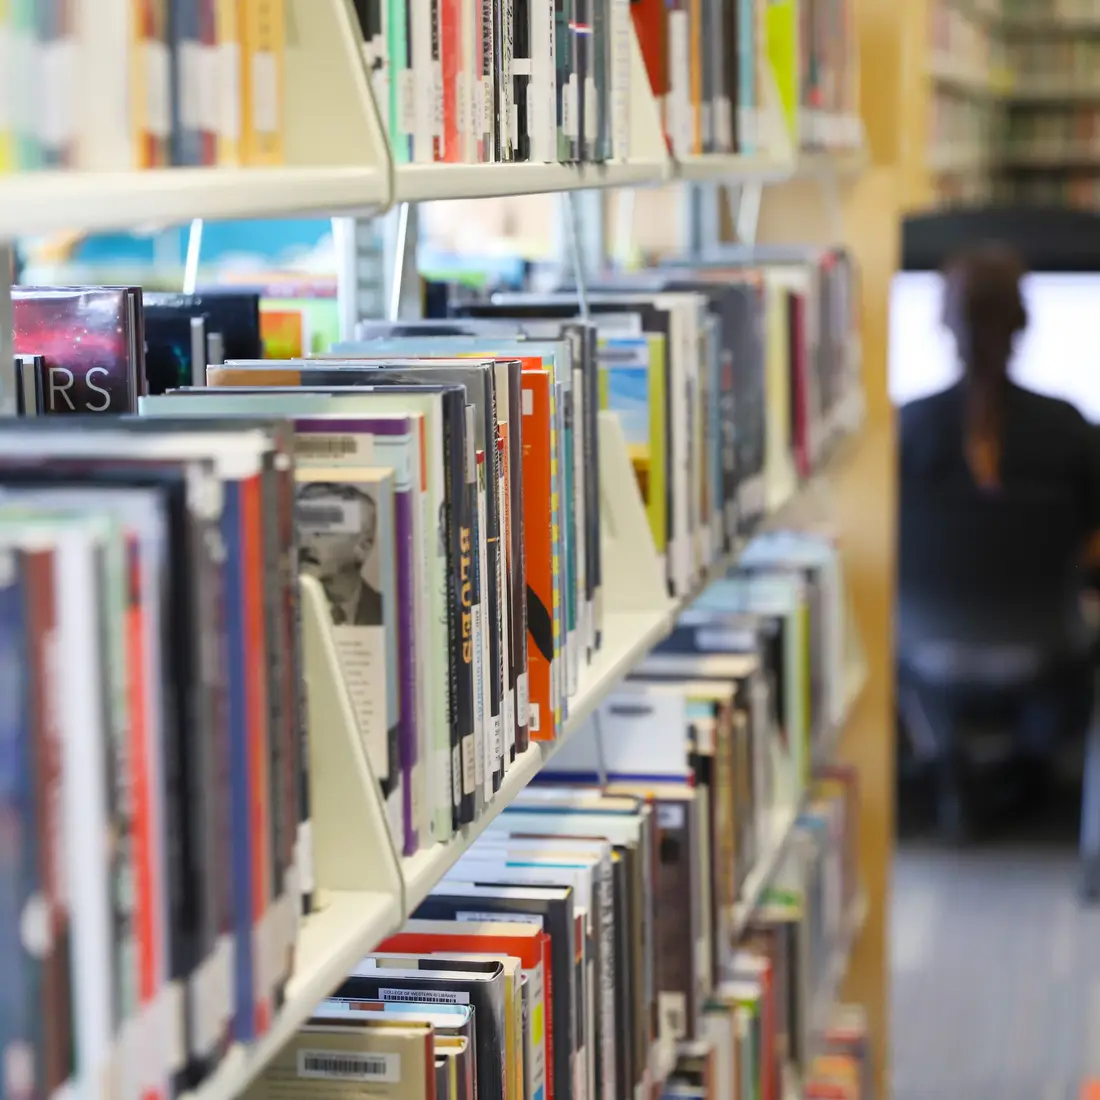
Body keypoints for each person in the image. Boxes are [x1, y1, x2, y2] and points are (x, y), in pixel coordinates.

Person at [897, 243, 1100, 833]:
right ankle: (1029, 767)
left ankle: (948, 760)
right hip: (1048, 641)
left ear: (944, 325)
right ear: (1023, 323)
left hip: (922, 640)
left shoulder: (904, 430)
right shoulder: (1070, 429)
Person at [297, 480, 384, 627]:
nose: (305, 542)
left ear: (363, 547)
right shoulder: (270, 613)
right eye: (300, 528)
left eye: (323, 530)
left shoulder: (391, 615)